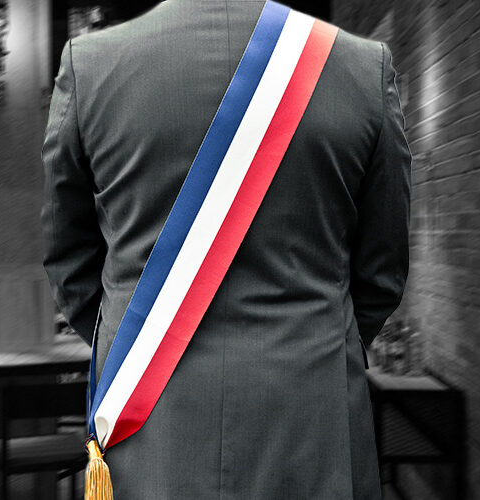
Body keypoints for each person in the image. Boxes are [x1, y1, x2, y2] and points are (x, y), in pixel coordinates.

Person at [40, 0, 412, 498]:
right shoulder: (363, 69)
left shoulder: (90, 66)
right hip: (312, 415)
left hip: (150, 422)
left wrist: (141, 335)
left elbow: (68, 260)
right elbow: (383, 270)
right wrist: (322, 334)